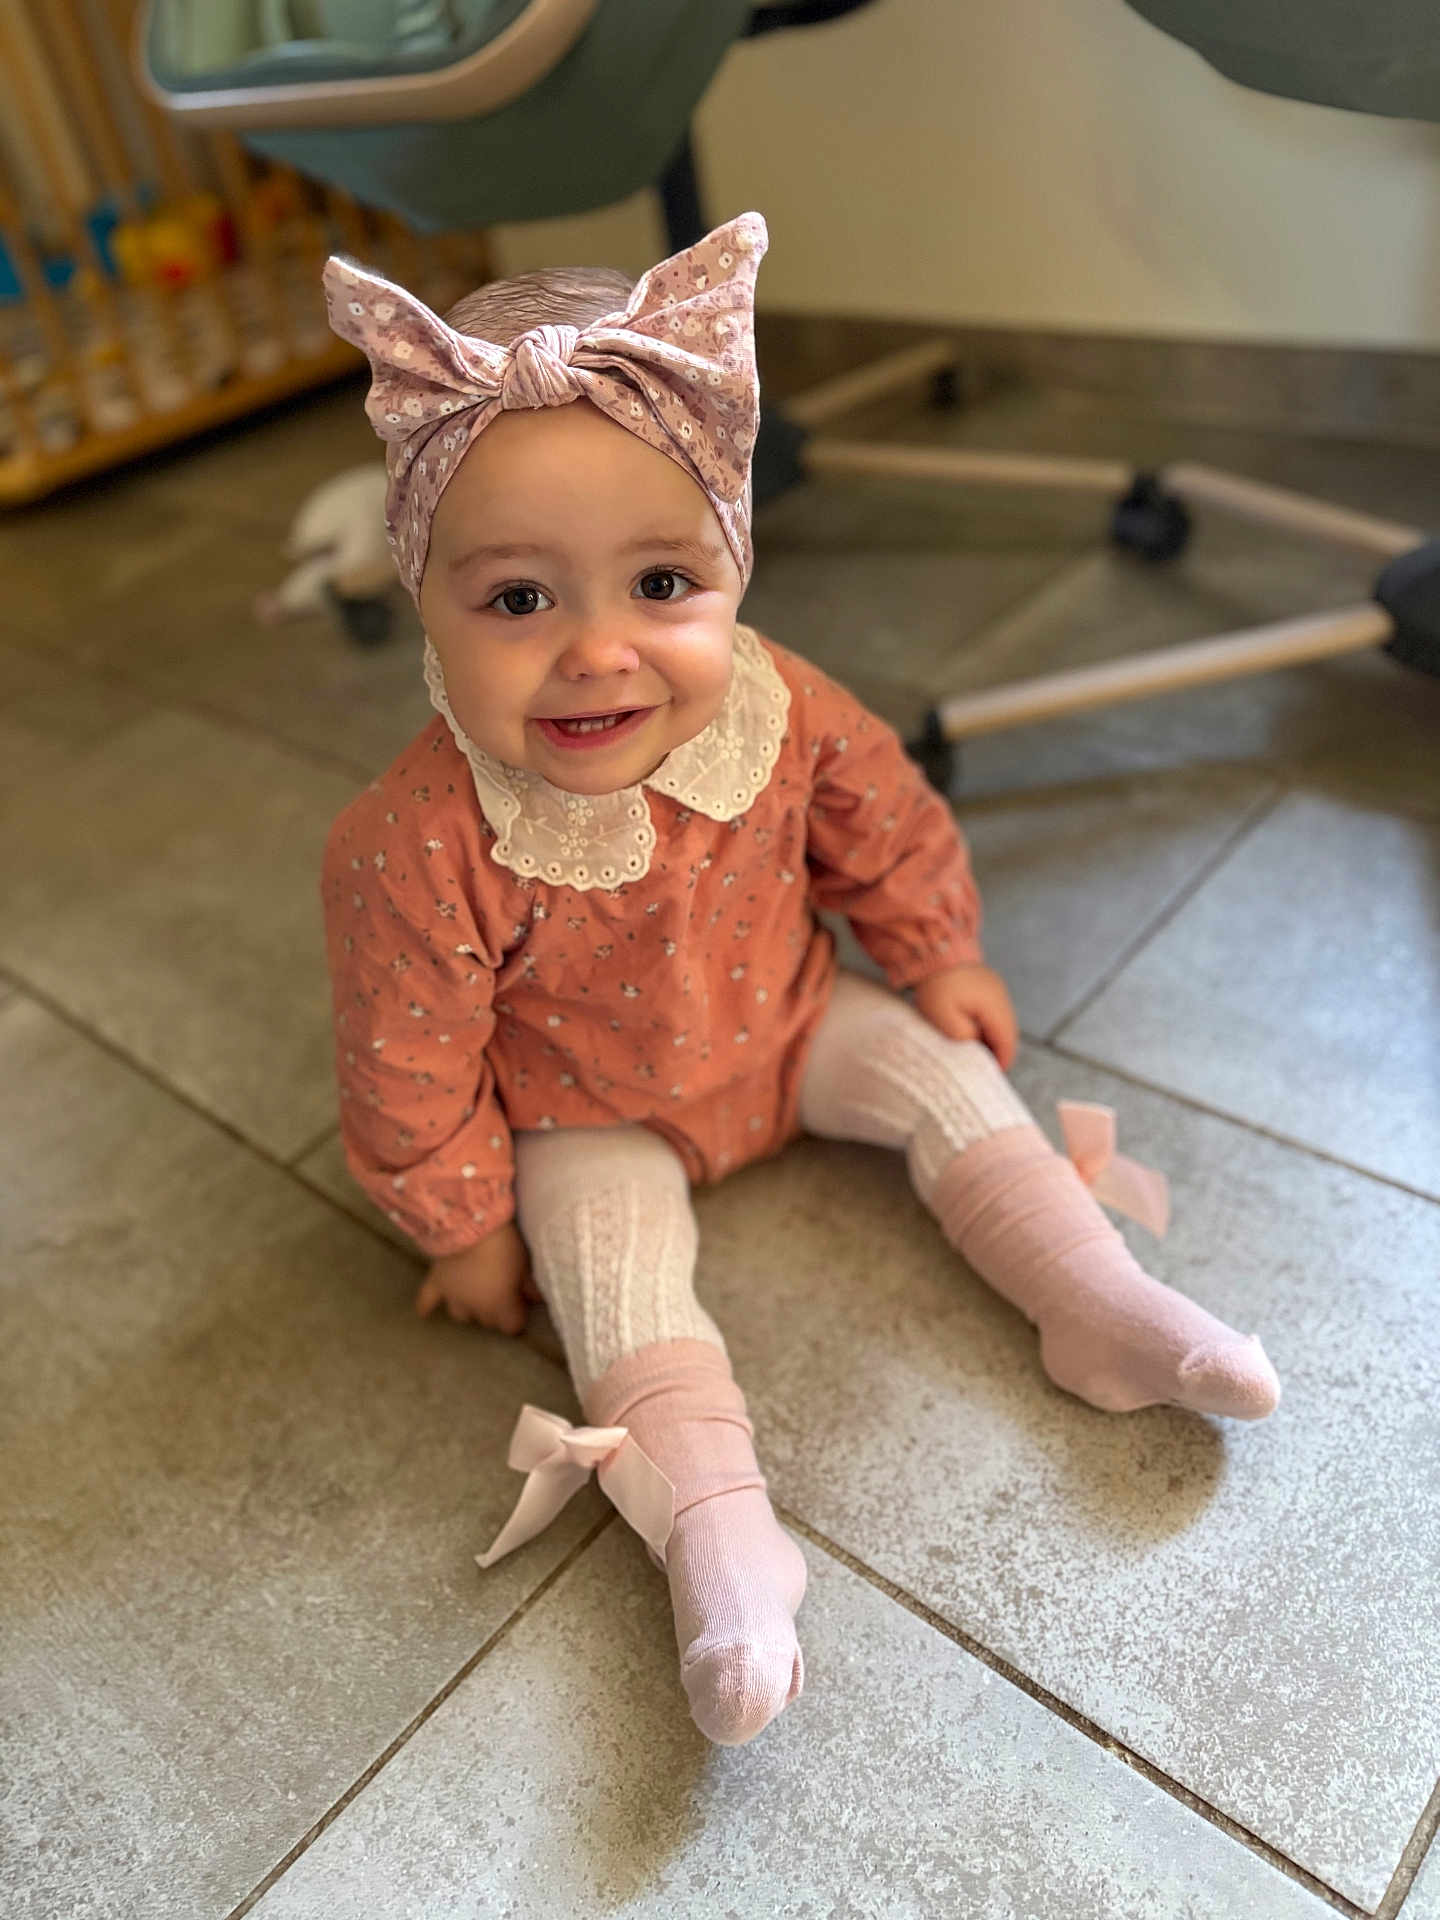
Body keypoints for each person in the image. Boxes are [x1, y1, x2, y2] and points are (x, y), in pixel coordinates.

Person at [319, 211, 1280, 1750]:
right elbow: (406, 1055)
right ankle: (717, 1535)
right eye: (516, 601)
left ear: (733, 568)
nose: (598, 653)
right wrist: (462, 1223)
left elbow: (881, 819)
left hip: (792, 1015)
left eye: (660, 582)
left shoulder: (781, 704)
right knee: (604, 1276)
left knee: (944, 1075)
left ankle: (1093, 1295)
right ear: (424, 603)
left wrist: (938, 949)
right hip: (587, 1110)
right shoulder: (414, 841)